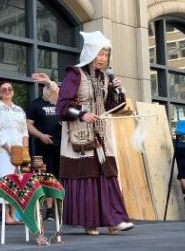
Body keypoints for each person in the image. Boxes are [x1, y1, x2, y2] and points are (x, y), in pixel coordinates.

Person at [56, 31, 134, 235]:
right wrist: (82, 114)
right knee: (88, 177)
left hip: (101, 134)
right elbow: (62, 107)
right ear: (90, 53)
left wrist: (118, 91)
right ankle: (90, 222)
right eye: (100, 53)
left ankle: (114, 219)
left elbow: (113, 108)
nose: (102, 58)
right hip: (80, 134)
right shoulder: (75, 74)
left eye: (106, 55)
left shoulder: (105, 77)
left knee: (107, 175)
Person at [0, 82, 29, 225]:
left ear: (13, 92)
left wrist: (24, 151)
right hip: (3, 150)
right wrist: (9, 150)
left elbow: (25, 130)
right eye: (3, 90)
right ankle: (6, 214)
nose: (7, 91)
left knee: (17, 180)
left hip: (19, 150)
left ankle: (13, 214)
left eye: (9, 89)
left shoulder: (19, 110)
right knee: (6, 179)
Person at [26, 73, 61, 221]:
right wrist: (41, 135)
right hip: (44, 146)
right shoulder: (36, 104)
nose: (52, 92)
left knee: (61, 176)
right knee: (48, 177)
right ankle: (49, 209)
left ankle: (62, 207)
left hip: (62, 145)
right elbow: (28, 125)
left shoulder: (60, 104)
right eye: (49, 88)